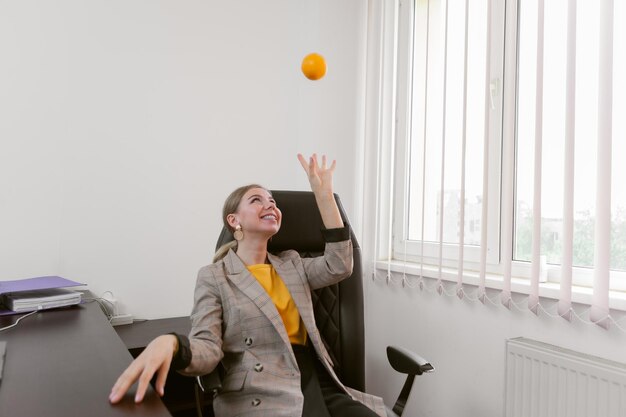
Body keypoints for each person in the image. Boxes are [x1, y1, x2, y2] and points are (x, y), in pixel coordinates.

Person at [109, 154, 386, 417]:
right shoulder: (214, 276)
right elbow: (207, 348)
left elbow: (339, 265)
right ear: (234, 220)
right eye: (257, 200)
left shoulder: (292, 264)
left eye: (272, 201)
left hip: (315, 377)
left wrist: (323, 196)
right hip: (261, 390)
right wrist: (173, 344)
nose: (271, 205)